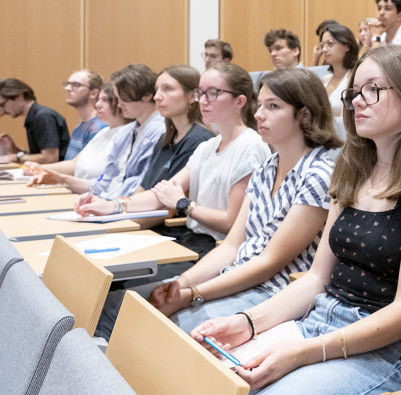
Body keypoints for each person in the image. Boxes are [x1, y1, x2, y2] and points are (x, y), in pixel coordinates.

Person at [191, 45, 401, 394]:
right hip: (319, 322)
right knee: (210, 374)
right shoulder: (352, 171)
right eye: (353, 93)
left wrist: (305, 352)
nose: (357, 102)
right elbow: (315, 279)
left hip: (384, 349)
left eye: (373, 89)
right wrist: (247, 323)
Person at [144, 67, 341, 336]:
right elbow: (232, 246)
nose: (259, 114)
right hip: (236, 278)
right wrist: (182, 283)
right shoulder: (266, 168)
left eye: (273, 106)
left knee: (167, 332)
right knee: (146, 309)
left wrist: (193, 294)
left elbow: (270, 263)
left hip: (273, 295)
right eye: (260, 105)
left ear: (304, 114)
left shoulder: (318, 175)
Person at [80, 63, 270, 255]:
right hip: (192, 240)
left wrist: (183, 204)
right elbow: (160, 194)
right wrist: (111, 206)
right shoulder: (208, 147)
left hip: (219, 250)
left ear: (239, 101)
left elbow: (232, 222)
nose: (203, 101)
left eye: (213, 93)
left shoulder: (250, 145)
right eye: (201, 93)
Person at [74, 64, 165, 201]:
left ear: (146, 96)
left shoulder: (159, 131)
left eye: (123, 98)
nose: (119, 104)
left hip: (128, 205)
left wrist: (108, 203)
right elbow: (106, 177)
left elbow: (140, 184)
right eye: (117, 98)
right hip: (111, 200)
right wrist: (92, 195)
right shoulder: (125, 132)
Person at [24, 84, 131, 184]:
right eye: (98, 100)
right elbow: (74, 164)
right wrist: (39, 167)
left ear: (121, 104)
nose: (97, 105)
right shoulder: (103, 132)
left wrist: (63, 179)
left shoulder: (128, 135)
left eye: (105, 100)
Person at [0, 78, 70, 164]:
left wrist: (12, 157)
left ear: (18, 96)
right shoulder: (34, 118)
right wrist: (14, 150)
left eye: (2, 105)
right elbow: (38, 157)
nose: (3, 112)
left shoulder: (43, 116)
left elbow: (50, 158)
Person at [62, 69, 106, 160]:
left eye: (75, 85)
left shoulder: (99, 127)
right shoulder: (79, 127)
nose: (68, 89)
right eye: (67, 84)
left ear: (93, 93)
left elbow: (84, 168)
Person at [319, 23, 359, 116]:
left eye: (330, 43)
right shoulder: (325, 79)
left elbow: (346, 120)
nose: (324, 49)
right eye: (322, 45)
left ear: (347, 46)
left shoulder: (353, 78)